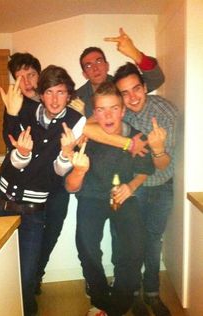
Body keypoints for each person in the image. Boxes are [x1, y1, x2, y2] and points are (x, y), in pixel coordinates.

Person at [0, 65, 86, 316]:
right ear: (41, 93)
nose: (54, 99)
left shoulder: (76, 122)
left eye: (61, 92)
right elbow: (11, 149)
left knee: (26, 276)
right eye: (49, 92)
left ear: (69, 95)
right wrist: (21, 151)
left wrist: (67, 155)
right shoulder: (23, 109)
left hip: (35, 209)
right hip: (5, 201)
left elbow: (55, 174)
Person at [64, 81, 155, 316]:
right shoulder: (86, 136)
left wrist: (131, 186)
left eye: (114, 108)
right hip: (91, 197)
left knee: (136, 245)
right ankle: (100, 299)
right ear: (94, 113)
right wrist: (70, 150)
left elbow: (145, 168)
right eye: (101, 109)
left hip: (121, 196)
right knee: (86, 246)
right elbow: (68, 170)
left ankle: (118, 303)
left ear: (123, 110)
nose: (108, 115)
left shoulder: (137, 137)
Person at [110, 62, 177, 316]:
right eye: (124, 93)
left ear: (145, 87)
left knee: (152, 241)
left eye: (136, 89)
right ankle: (132, 292)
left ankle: (152, 292)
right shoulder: (118, 114)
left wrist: (158, 148)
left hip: (160, 187)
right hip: (130, 188)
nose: (132, 97)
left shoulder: (166, 112)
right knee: (126, 242)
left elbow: (162, 165)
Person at [76, 28, 165, 119]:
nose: (95, 68)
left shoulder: (121, 86)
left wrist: (136, 54)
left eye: (99, 62)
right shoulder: (76, 98)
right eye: (88, 66)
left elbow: (156, 79)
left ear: (107, 66)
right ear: (85, 74)